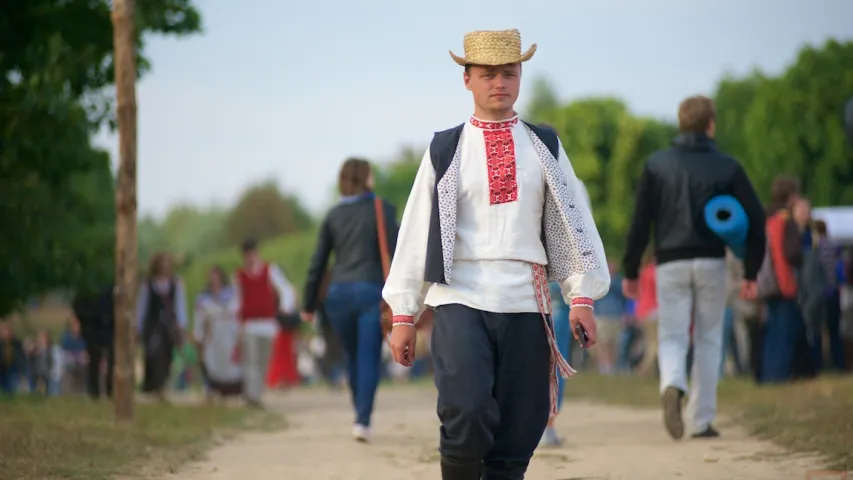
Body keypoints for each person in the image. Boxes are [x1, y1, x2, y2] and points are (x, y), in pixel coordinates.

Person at [383, 29, 609, 479]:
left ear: (520, 75)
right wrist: (404, 314)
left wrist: (580, 297)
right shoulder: (445, 149)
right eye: (488, 74)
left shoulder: (544, 145)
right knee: (465, 410)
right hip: (459, 297)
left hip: (527, 301)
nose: (499, 83)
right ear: (467, 79)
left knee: (517, 431)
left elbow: (573, 223)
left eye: (509, 73)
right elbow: (414, 231)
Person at [622, 95, 766, 440]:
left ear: (681, 123)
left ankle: (672, 383)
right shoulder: (728, 166)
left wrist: (630, 271)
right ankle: (702, 420)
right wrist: (750, 271)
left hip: (669, 262)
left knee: (672, 334)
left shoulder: (657, 165)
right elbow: (757, 219)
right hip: (712, 261)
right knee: (709, 337)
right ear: (710, 124)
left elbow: (640, 222)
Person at [301, 158, 399, 442]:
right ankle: (362, 419)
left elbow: (317, 263)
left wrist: (308, 304)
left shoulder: (332, 216)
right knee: (368, 356)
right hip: (371, 293)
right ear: (367, 179)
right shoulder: (382, 210)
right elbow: (398, 251)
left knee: (352, 356)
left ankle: (360, 411)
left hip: (338, 296)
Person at [234, 238, 297, 408]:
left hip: (267, 324)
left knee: (263, 361)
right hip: (249, 324)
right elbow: (236, 300)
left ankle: (257, 393)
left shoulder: (270, 270)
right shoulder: (240, 276)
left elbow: (285, 288)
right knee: (250, 361)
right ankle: (251, 395)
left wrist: (285, 306)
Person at [137, 252, 188, 402]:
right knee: (153, 354)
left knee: (167, 355)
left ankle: (163, 385)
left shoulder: (176, 283)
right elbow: (142, 307)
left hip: (169, 326)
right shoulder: (148, 284)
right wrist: (138, 328)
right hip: (152, 326)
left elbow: (180, 306)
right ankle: (155, 386)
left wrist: (181, 326)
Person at [193, 266, 243, 402]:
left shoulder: (231, 295)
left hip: (228, 335)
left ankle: (228, 390)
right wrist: (199, 336)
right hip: (212, 335)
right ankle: (211, 388)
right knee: (211, 362)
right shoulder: (203, 298)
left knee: (228, 364)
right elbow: (200, 319)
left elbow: (237, 314)